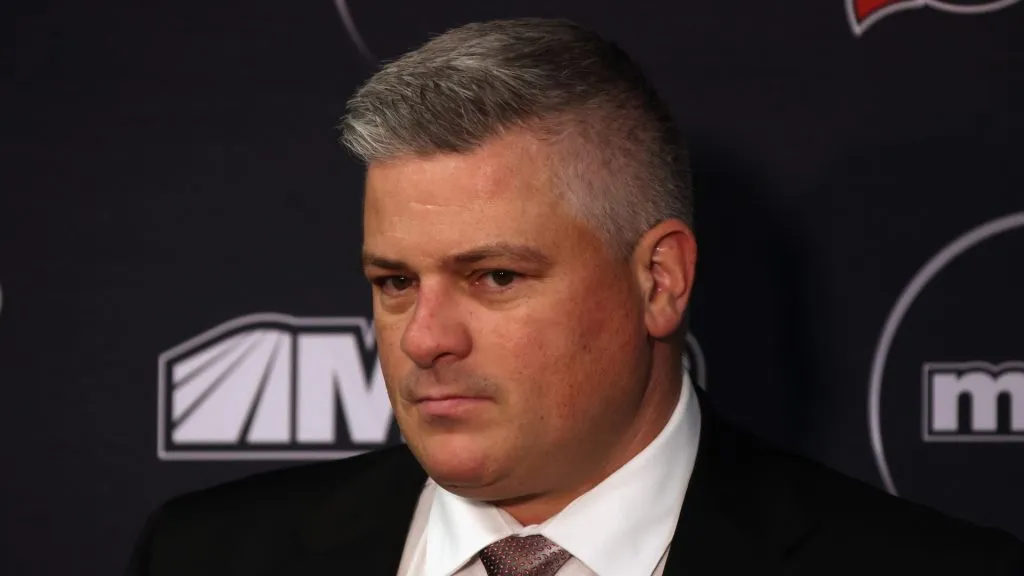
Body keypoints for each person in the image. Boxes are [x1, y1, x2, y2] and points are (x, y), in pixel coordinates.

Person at [126, 17, 1023, 576]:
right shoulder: (203, 556)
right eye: (395, 282)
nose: (424, 339)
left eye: (496, 277)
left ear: (659, 281)